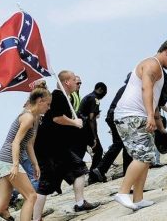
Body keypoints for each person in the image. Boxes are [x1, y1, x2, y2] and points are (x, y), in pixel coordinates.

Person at [112, 39, 167, 211]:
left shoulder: (157, 67)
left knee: (147, 155)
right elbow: (146, 90)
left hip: (136, 115)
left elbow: (154, 98)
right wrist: (150, 115)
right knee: (145, 155)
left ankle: (138, 198)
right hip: (132, 115)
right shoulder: (152, 64)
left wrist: (158, 124)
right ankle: (122, 192)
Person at [33, 71, 99, 218]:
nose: (77, 82)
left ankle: (80, 203)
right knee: (45, 184)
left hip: (57, 147)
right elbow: (57, 118)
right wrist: (74, 122)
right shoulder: (58, 95)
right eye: (75, 80)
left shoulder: (64, 96)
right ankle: (36, 218)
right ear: (67, 82)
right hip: (49, 148)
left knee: (79, 169)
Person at [0, 88, 51, 221]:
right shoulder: (28, 117)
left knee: (1, 204)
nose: (49, 107)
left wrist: (35, 164)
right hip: (8, 161)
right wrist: (15, 165)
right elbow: (16, 143)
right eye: (47, 104)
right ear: (39, 101)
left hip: (1, 161)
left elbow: (29, 144)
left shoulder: (34, 118)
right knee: (31, 196)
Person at [90, 75, 132, 184]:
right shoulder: (130, 89)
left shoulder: (125, 88)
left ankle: (103, 170)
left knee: (123, 143)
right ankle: (101, 169)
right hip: (117, 117)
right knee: (122, 143)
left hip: (113, 116)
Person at [78, 82, 108, 174]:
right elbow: (91, 119)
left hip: (80, 128)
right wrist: (95, 136)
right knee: (99, 151)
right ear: (100, 90)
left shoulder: (88, 97)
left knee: (80, 152)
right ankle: (94, 174)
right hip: (87, 129)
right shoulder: (95, 99)